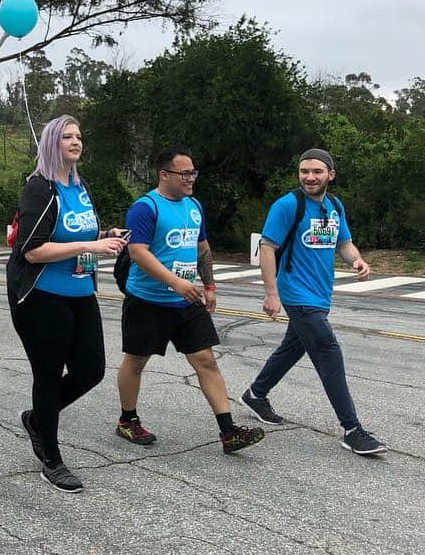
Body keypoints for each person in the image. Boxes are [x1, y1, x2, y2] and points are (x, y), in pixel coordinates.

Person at [115, 145, 263, 456]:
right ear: (164, 174)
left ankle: (229, 431)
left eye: (193, 172)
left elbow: (202, 247)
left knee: (206, 361)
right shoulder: (146, 207)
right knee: (136, 361)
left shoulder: (194, 206)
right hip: (147, 300)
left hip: (186, 302)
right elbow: (137, 252)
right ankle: (128, 420)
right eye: (185, 173)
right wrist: (175, 282)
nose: (191, 178)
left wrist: (208, 284)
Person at [6, 116, 127, 493]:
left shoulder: (79, 185)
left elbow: (78, 229)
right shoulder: (39, 188)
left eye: (79, 136)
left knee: (91, 369)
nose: (75, 142)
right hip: (42, 297)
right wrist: (89, 246)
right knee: (47, 374)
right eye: (67, 137)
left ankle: (38, 419)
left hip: (80, 291)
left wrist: (104, 235)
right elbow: (32, 250)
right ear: (51, 143)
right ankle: (52, 460)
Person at [242, 149, 386, 455]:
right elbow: (267, 248)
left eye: (317, 171)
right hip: (296, 293)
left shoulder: (334, 205)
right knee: (328, 352)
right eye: (304, 171)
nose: (310, 176)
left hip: (321, 294)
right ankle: (352, 430)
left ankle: (256, 394)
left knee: (292, 347)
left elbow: (343, 243)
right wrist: (271, 293)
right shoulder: (287, 205)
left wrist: (357, 261)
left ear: (330, 175)